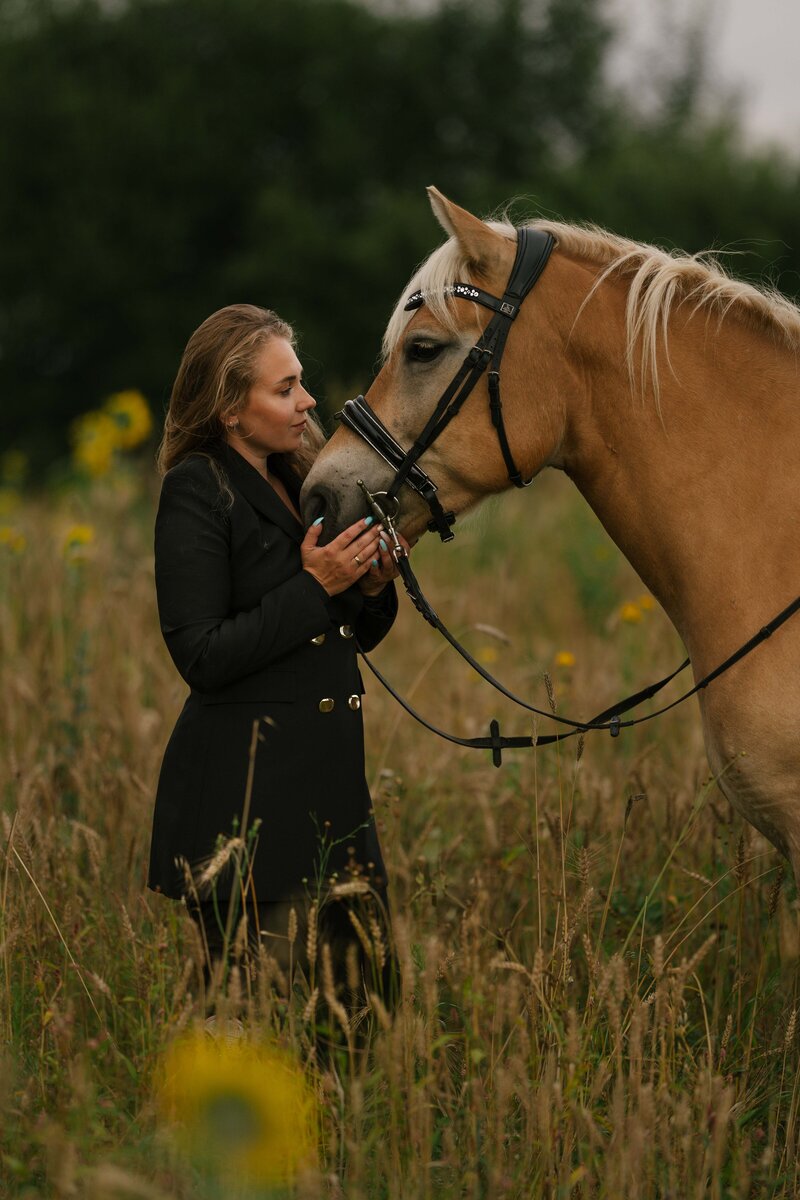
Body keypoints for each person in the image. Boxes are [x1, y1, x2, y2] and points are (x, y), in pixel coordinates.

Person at [147, 303, 405, 1014]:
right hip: (246, 803)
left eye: (300, 382)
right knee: (253, 1022)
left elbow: (338, 636)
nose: (308, 400)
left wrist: (369, 588)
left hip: (331, 798)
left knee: (358, 1015)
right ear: (232, 409)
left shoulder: (303, 482)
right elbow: (201, 654)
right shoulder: (198, 489)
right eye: (284, 388)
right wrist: (318, 584)